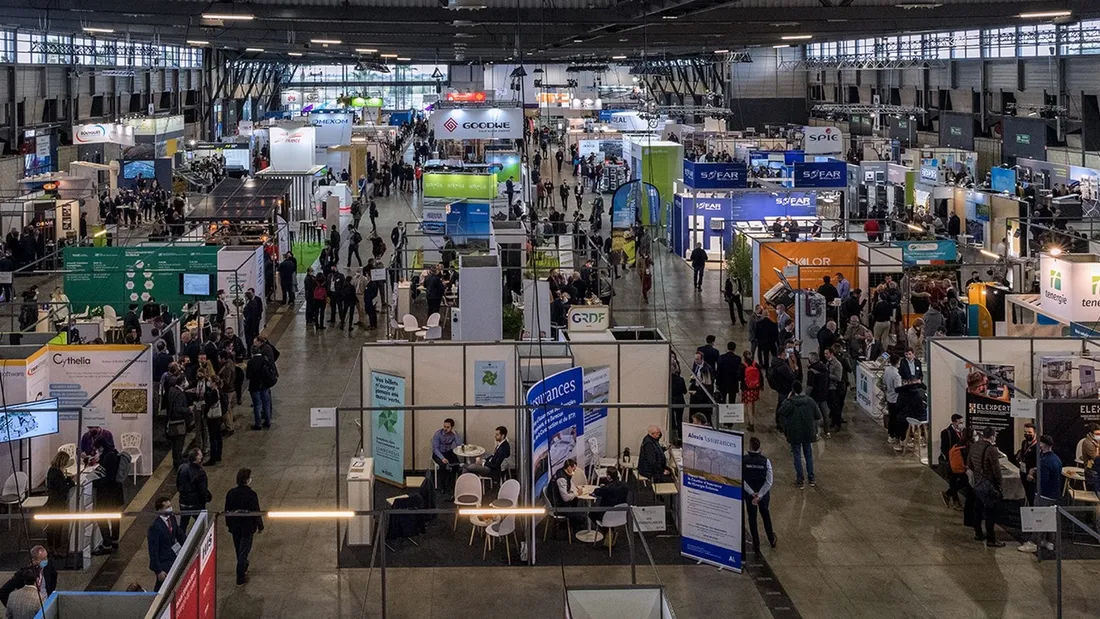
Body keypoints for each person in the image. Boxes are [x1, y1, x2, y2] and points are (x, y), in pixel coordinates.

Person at [1018, 435, 1062, 554]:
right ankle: (1049, 541)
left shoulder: (1044, 461)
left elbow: (1043, 480)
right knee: (1050, 518)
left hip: (1044, 494)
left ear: (1043, 445)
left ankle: (1034, 542)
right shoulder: (1056, 459)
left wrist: (1032, 476)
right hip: (1054, 494)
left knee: (1039, 517)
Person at [225, 467, 263, 586]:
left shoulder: (231, 493)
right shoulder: (251, 494)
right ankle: (240, 577)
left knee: (238, 549)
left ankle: (243, 566)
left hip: (235, 527)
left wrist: (229, 524)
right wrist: (260, 525)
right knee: (244, 552)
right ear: (247, 480)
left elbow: (227, 510)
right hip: (247, 527)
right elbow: (256, 511)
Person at [778, 381, 820, 489]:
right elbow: (818, 415)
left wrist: (787, 399)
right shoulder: (810, 401)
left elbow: (781, 412)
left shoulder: (790, 403)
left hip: (794, 433)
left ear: (792, 391)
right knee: (808, 455)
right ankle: (811, 478)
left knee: (797, 455)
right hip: (808, 432)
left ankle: (800, 480)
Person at [967, 426, 1005, 547]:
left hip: (977, 483)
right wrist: (1000, 484)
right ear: (993, 436)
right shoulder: (991, 449)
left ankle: (978, 532)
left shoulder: (974, 445)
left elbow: (969, 463)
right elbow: (996, 470)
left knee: (977, 508)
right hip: (988, 484)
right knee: (990, 512)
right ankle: (991, 539)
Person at [743, 436, 777, 554]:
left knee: (752, 519)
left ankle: (756, 545)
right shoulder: (765, 461)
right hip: (763, 496)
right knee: (765, 515)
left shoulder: (744, 460)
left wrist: (752, 493)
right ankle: (771, 539)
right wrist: (760, 494)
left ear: (749, 447)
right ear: (760, 447)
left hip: (749, 495)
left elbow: (742, 479)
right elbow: (769, 480)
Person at [91, 436, 123, 555]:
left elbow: (107, 476)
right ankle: (114, 541)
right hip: (115, 493)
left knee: (101, 517)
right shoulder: (113, 453)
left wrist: (95, 481)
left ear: (101, 447)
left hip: (107, 494)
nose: (96, 452)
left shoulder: (108, 457)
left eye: (97, 449)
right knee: (114, 517)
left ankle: (107, 545)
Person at [147, 496, 185, 591]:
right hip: (163, 562)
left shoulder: (171, 518)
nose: (170, 508)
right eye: (167, 507)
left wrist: (187, 545)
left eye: (170, 506)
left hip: (173, 557)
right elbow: (153, 551)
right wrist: (158, 570)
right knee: (162, 586)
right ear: (160, 510)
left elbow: (179, 534)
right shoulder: (155, 527)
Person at [44, 451, 75, 553]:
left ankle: (52, 546)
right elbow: (62, 489)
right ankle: (56, 547)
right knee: (57, 525)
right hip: (57, 502)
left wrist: (66, 480)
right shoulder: (56, 473)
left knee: (53, 524)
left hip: (53, 501)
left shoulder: (52, 471)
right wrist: (70, 483)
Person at [939, 414, 968, 510]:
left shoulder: (963, 432)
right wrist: (950, 459)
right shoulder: (946, 433)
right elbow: (944, 448)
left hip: (960, 461)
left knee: (960, 481)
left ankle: (948, 494)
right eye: (960, 422)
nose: (962, 424)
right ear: (954, 422)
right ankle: (955, 501)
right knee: (955, 480)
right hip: (952, 461)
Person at [246, 342, 276, 430]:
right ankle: (267, 421)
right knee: (266, 403)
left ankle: (258, 424)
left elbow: (248, 376)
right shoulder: (265, 359)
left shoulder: (251, 362)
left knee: (257, 405)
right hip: (265, 385)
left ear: (252, 352)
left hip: (255, 386)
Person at [432, 418, 463, 497]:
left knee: (456, 465)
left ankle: (452, 485)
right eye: (444, 426)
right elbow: (435, 449)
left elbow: (459, 444)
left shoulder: (453, 434)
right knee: (443, 466)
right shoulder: (438, 434)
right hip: (438, 453)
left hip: (449, 452)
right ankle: (442, 487)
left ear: (452, 427)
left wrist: (455, 435)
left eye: (448, 427)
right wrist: (442, 458)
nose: (445, 429)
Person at [551, 459, 584, 529]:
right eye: (573, 469)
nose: (574, 471)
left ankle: (569, 524)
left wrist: (575, 491)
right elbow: (565, 498)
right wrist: (576, 493)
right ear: (569, 467)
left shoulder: (562, 472)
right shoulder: (561, 479)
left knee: (576, 501)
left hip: (561, 502)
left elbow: (571, 484)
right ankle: (565, 527)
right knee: (581, 518)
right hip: (558, 506)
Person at [883, 354, 904, 449]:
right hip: (895, 399)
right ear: (897, 362)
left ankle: (890, 435)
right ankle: (896, 436)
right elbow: (898, 388)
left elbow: (884, 382)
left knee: (891, 417)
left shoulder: (887, 370)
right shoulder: (896, 375)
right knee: (896, 418)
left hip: (889, 397)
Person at [1015, 422, 1038, 506]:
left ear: (1035, 433)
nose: (1027, 434)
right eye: (1025, 432)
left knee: (1032, 496)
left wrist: (1033, 473)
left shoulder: (1038, 446)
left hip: (1032, 476)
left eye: (1029, 432)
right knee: (1027, 494)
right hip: (1023, 472)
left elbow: (1039, 463)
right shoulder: (1024, 442)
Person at [741, 351, 762, 432]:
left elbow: (740, 377)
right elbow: (760, 376)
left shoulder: (743, 366)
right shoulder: (756, 365)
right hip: (755, 388)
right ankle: (751, 419)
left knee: (748, 406)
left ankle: (751, 423)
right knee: (752, 404)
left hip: (747, 389)